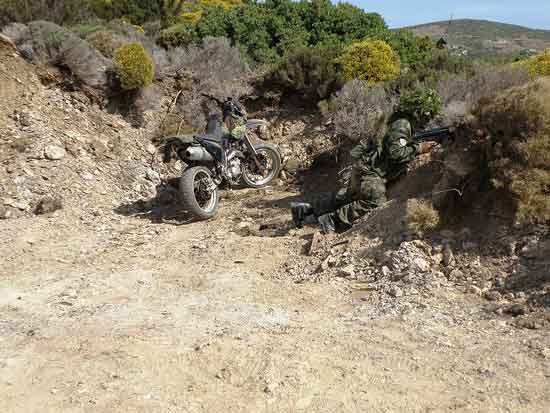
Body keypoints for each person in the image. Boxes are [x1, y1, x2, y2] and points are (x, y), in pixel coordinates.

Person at [291, 119, 439, 233]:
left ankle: (304, 209)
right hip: (370, 174)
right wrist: (418, 148)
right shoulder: (401, 128)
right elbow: (396, 154)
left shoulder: (391, 129)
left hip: (361, 170)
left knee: (345, 197)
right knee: (374, 201)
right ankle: (331, 220)